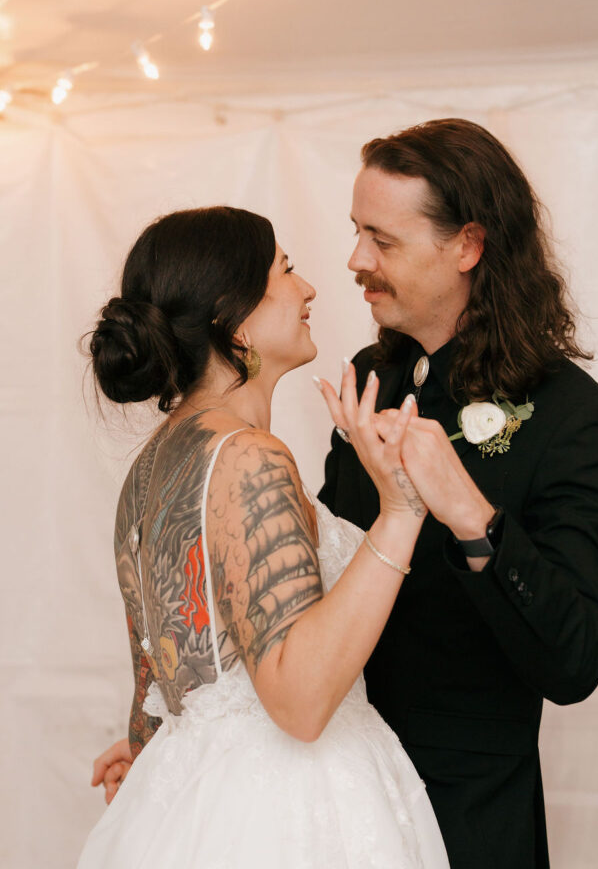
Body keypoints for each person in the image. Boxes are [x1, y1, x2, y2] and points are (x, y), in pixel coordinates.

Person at [79, 206, 449, 868]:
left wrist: (142, 752)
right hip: (287, 810)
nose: (308, 289)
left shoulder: (150, 470)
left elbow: (156, 668)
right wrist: (401, 509)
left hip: (189, 797)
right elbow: (301, 703)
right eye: (285, 270)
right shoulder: (248, 456)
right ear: (233, 317)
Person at [316, 118, 598, 868]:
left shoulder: (574, 418)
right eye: (357, 232)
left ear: (466, 245)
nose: (355, 260)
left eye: (382, 241)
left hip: (466, 814)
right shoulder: (368, 374)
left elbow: (573, 662)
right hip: (332, 791)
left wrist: (471, 515)